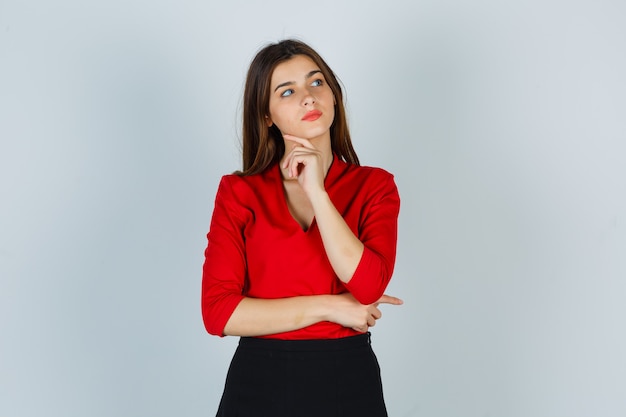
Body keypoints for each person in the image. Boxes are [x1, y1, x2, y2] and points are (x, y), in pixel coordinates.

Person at [201, 39, 402, 417]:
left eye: (317, 83)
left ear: (334, 96)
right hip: (258, 383)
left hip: (348, 381)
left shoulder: (375, 186)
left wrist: (317, 192)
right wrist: (332, 307)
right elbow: (219, 314)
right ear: (266, 115)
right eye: (288, 91)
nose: (308, 98)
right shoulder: (239, 192)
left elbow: (368, 285)